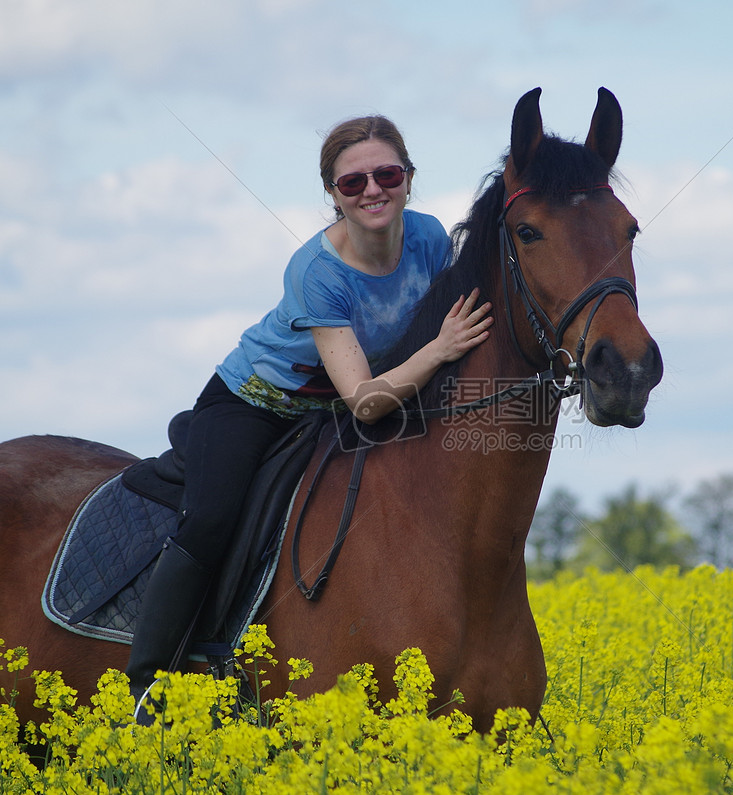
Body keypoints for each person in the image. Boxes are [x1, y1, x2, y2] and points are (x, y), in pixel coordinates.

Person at [126, 115, 493, 723]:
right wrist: (441, 349)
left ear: (408, 179)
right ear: (332, 194)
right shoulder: (317, 271)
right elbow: (368, 401)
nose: (372, 190)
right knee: (213, 517)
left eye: (386, 174)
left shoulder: (429, 240)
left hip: (336, 410)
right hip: (257, 403)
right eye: (353, 184)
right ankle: (148, 686)